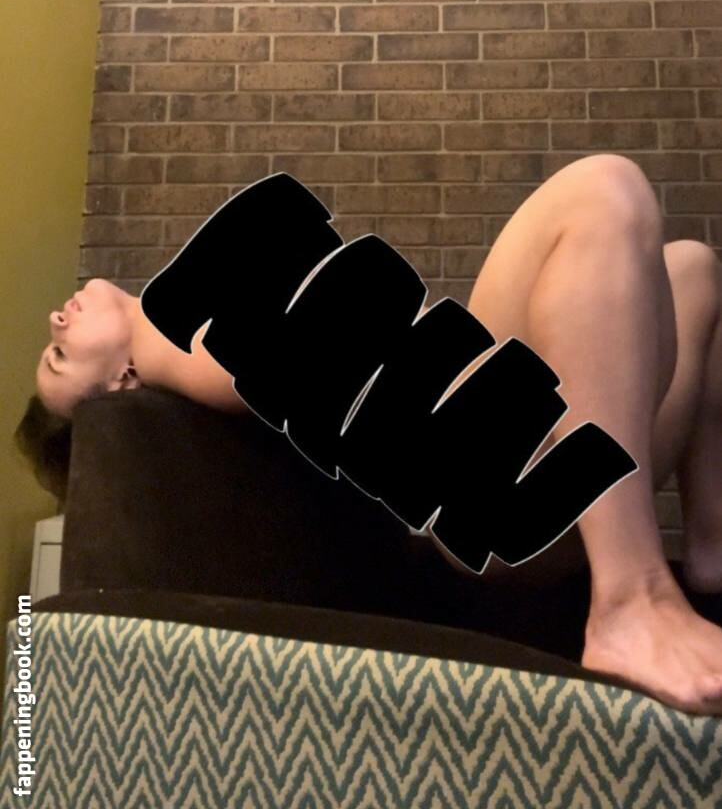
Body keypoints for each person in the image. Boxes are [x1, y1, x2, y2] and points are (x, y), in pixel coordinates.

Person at [15, 152, 722, 715]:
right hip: (485, 476)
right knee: (604, 190)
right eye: (61, 357)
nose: (56, 322)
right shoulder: (164, 346)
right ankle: (628, 601)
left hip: (490, 455)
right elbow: (299, 370)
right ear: (122, 381)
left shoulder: (181, 323)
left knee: (692, 269)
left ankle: (710, 555)